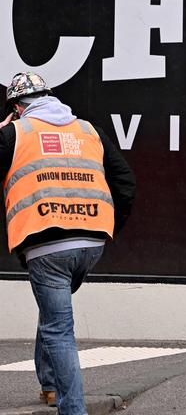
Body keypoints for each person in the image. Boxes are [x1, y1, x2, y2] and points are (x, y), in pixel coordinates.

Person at [0, 71, 136, 415]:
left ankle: (72, 409)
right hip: (90, 244)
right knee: (53, 311)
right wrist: (105, 228)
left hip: (47, 246)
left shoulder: (15, 133)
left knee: (59, 329)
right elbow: (125, 182)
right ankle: (49, 384)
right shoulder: (89, 131)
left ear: (17, 107)